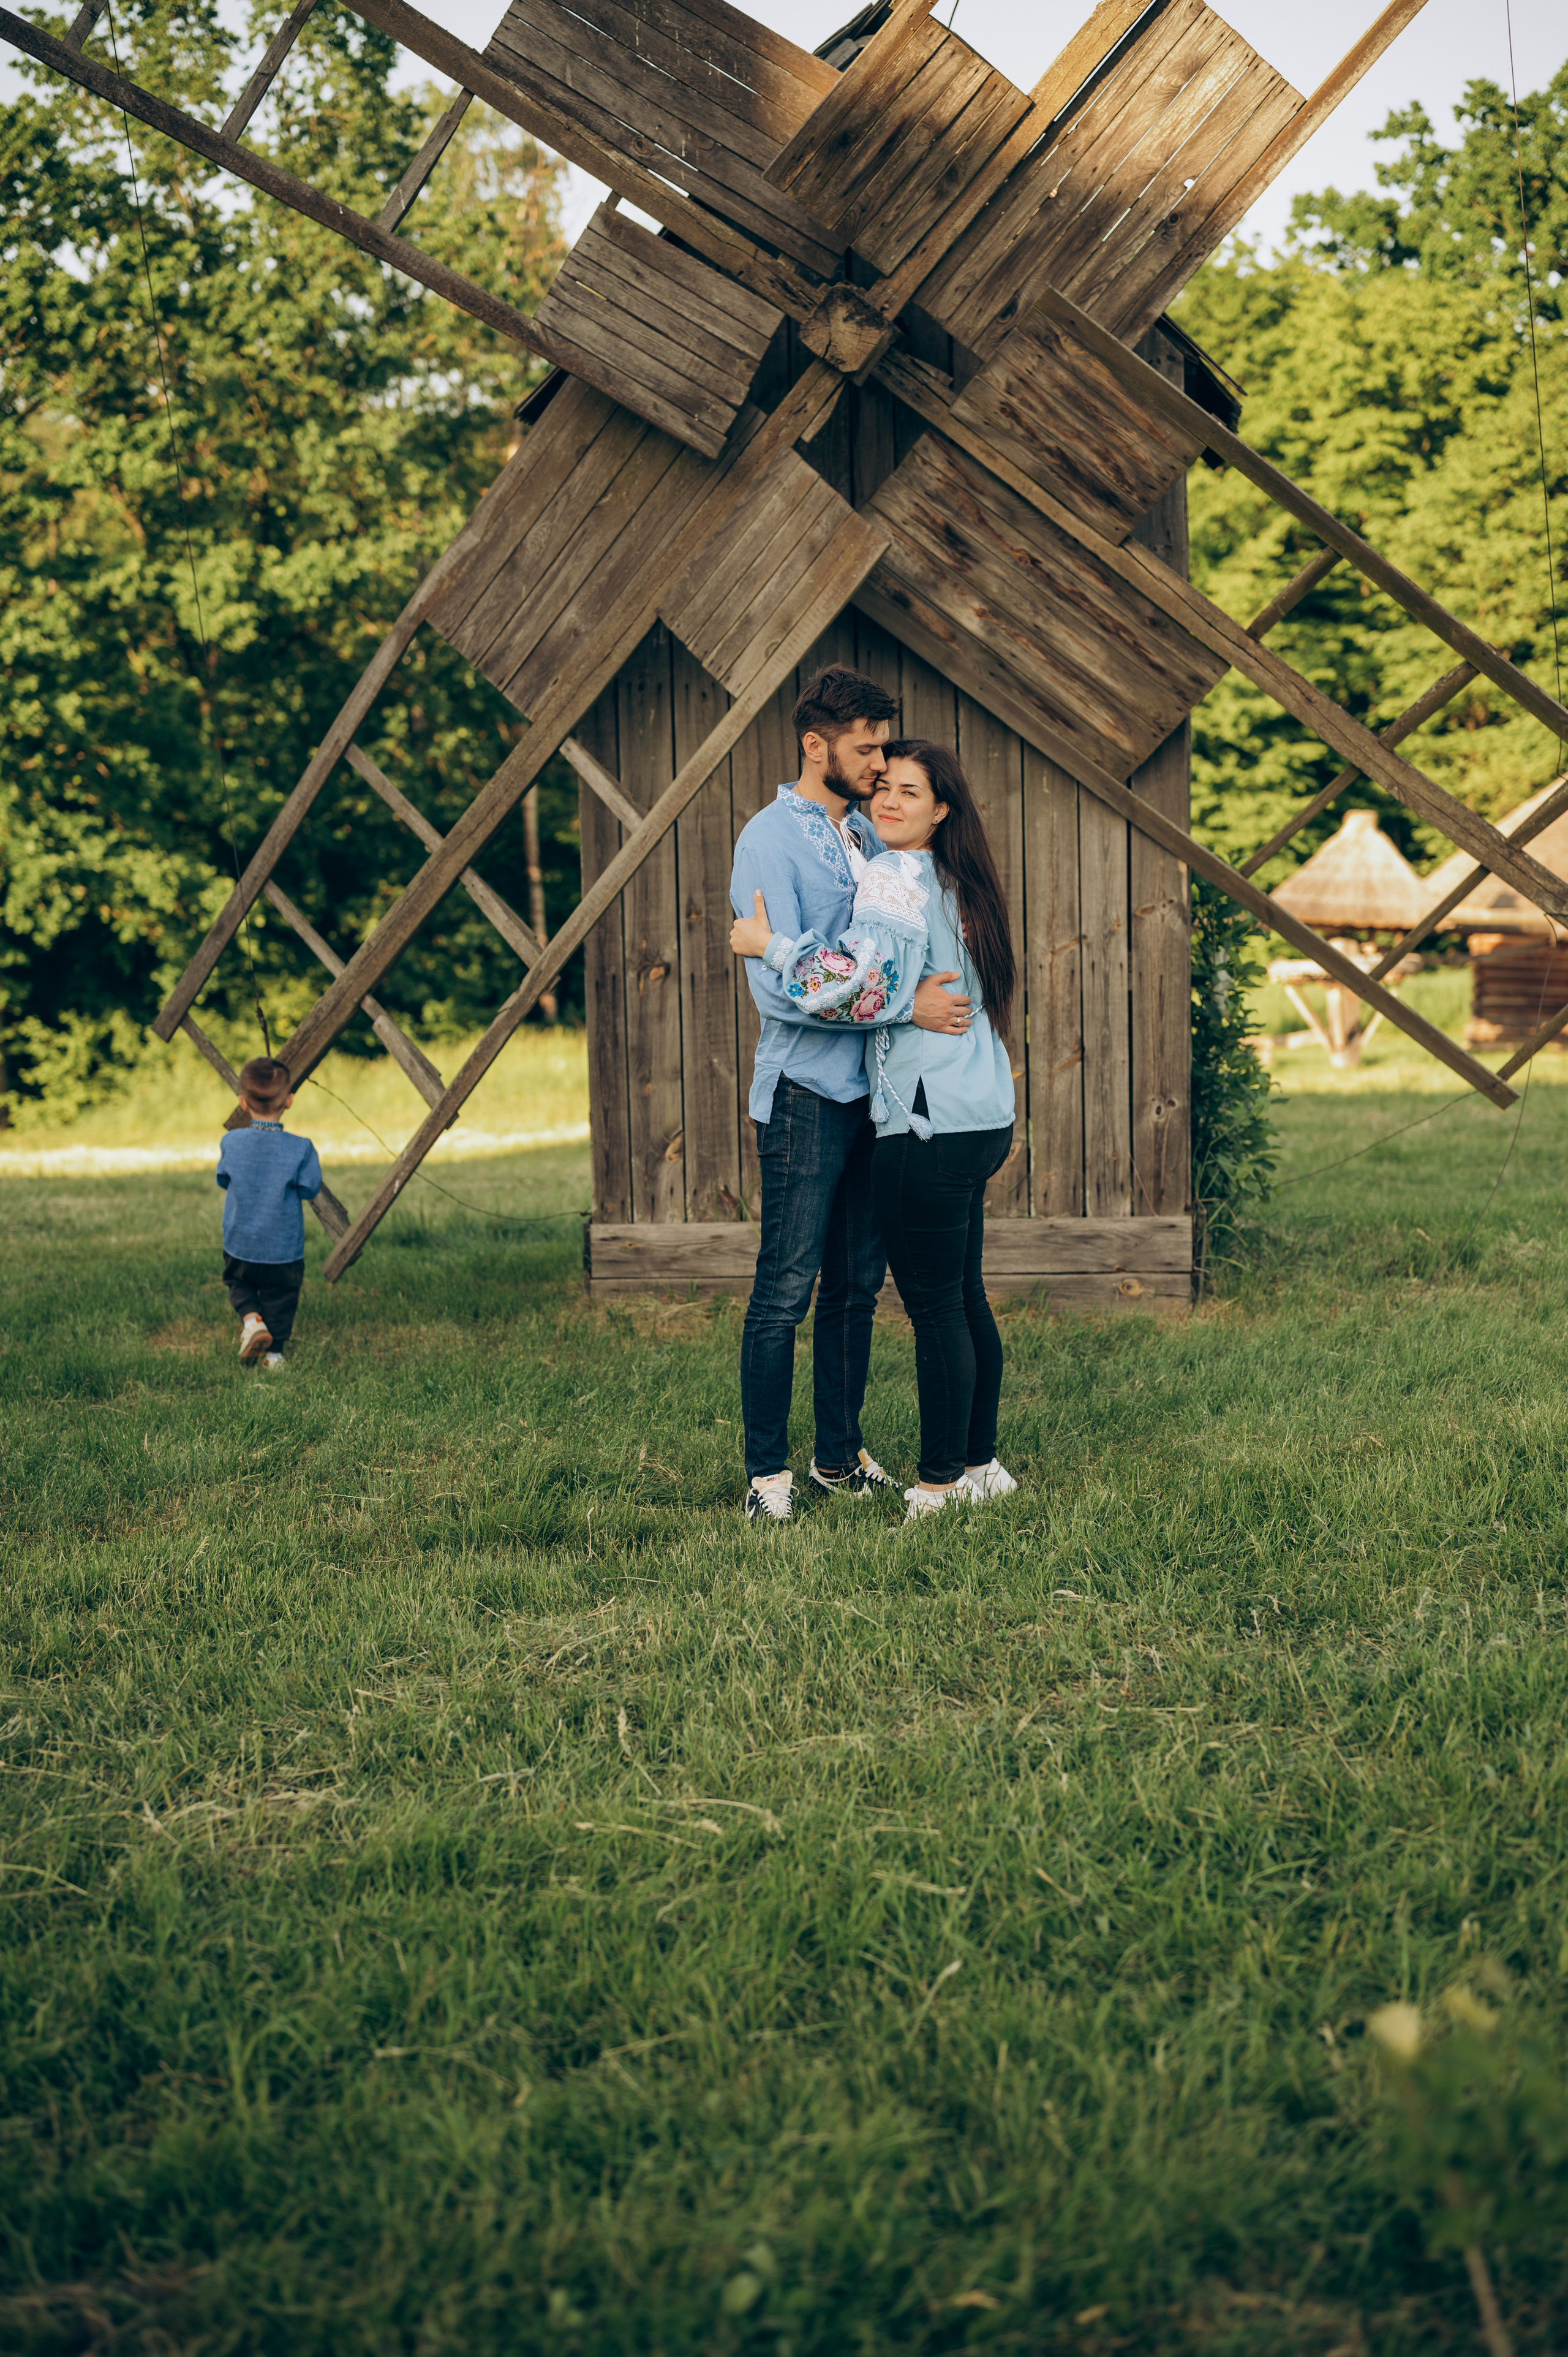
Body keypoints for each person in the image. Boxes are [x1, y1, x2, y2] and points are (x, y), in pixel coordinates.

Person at [730, 739, 1017, 1523]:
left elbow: (858, 985)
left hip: (925, 1116)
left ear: (941, 808)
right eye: (882, 785)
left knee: (935, 1310)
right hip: (983, 1112)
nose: (885, 800)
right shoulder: (962, 880)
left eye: (907, 792)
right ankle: (982, 1465)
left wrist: (770, 945)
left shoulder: (891, 876)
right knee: (964, 1295)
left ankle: (937, 1485)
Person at [216, 1056, 323, 1370]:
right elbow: (310, 1188)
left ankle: (251, 1322)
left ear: (242, 1103)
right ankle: (274, 1355)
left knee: (239, 1283)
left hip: (240, 1243)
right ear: (289, 1101)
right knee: (282, 1297)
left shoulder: (231, 1142)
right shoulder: (301, 1148)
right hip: (283, 1249)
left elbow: (224, 1179)